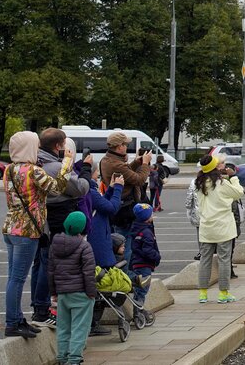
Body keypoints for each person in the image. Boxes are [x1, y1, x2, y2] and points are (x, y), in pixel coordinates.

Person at [2, 131, 71, 338]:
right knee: (18, 278)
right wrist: (67, 162)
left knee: (13, 277)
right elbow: (58, 188)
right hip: (27, 230)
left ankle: (16, 318)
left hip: (11, 228)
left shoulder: (9, 170)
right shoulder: (33, 171)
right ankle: (12, 322)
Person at [33, 127, 91, 328]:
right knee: (48, 263)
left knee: (39, 263)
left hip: (41, 219)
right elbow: (79, 188)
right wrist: (84, 172)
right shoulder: (55, 166)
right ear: (58, 146)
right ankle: (42, 308)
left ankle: (38, 307)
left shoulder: (35, 162)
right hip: (57, 217)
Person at [194, 154, 244, 304]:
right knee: (224, 260)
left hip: (206, 226)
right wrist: (233, 177)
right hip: (223, 226)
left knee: (205, 260)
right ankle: (223, 293)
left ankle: (203, 293)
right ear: (215, 168)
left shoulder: (199, 183)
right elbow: (239, 193)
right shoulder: (221, 183)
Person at [48, 211, 96, 365]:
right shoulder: (84, 246)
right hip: (81, 293)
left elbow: (51, 271)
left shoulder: (55, 244)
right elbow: (88, 272)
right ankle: (74, 359)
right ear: (82, 228)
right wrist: (91, 293)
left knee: (63, 328)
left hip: (63, 293)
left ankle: (62, 357)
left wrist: (54, 292)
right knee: (79, 328)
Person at [99, 131, 151, 265]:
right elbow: (138, 179)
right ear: (119, 146)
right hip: (125, 209)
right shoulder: (116, 164)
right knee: (126, 245)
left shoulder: (107, 159)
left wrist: (137, 162)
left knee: (120, 241)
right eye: (125, 144)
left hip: (119, 207)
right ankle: (126, 276)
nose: (127, 147)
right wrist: (145, 164)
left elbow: (127, 171)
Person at [86, 164, 123, 337]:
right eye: (96, 173)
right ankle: (93, 323)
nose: (98, 175)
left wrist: (111, 188)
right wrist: (119, 189)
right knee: (100, 282)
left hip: (100, 239)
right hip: (98, 243)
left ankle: (95, 322)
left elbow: (104, 204)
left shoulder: (93, 190)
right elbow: (111, 208)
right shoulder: (91, 192)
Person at [129, 203, 160, 306]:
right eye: (151, 214)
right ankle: (139, 310)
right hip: (144, 264)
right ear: (146, 218)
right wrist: (157, 256)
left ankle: (137, 310)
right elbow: (148, 250)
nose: (152, 216)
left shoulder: (137, 228)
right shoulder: (146, 232)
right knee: (142, 290)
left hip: (137, 263)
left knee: (139, 289)